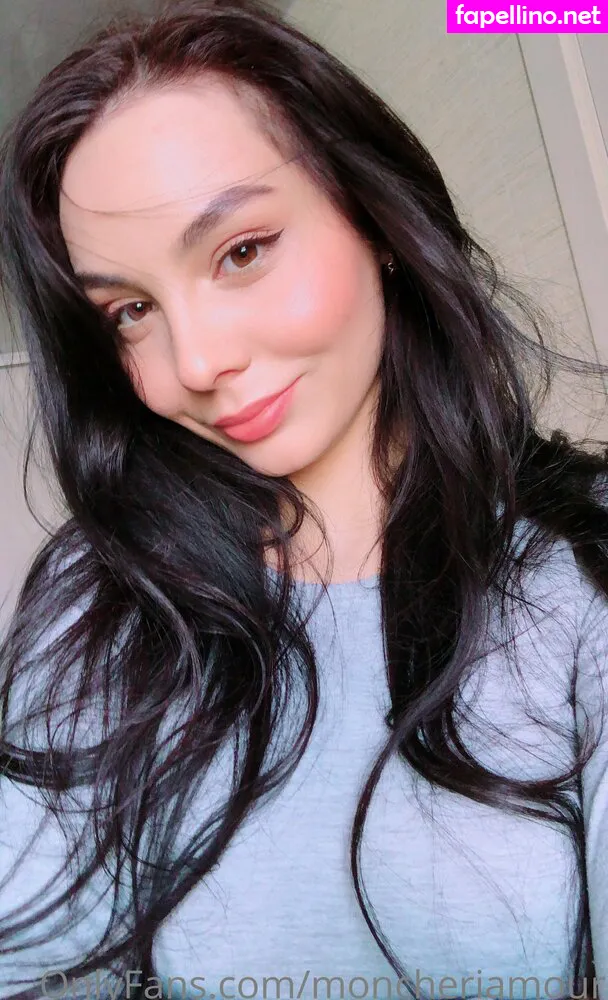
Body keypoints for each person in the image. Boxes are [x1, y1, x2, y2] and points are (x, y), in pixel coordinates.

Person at [0, 0, 607, 997]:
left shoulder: (576, 569)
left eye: (241, 251)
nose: (196, 362)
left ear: (372, 213)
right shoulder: (96, 600)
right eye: (131, 310)